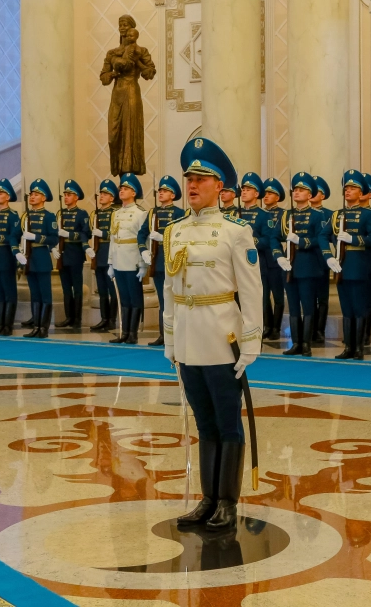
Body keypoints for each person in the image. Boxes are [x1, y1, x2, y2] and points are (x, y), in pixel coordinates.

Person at [163, 137, 262, 532]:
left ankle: (227, 502)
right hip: (188, 338)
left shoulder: (235, 232)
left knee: (226, 422)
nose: (191, 185)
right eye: (189, 177)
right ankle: (207, 499)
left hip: (223, 338)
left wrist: (251, 342)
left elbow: (252, 291)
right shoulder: (175, 230)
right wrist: (170, 340)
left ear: (219, 187)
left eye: (201, 179)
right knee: (203, 422)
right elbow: (171, 290)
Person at [328, 170, 371, 360]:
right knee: (347, 309)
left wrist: (353, 239)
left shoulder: (370, 215)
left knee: (360, 309)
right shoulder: (337, 215)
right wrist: (328, 256)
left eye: (353, 188)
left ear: (361, 193)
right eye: (346, 188)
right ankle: (349, 347)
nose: (348, 191)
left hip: (361, 266)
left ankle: (359, 347)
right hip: (342, 266)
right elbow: (322, 235)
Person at [274, 172, 332, 357]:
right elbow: (273, 237)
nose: (297, 192)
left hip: (307, 265)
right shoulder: (285, 216)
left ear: (310, 195)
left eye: (302, 190)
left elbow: (319, 239)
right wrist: (278, 256)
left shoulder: (316, 216)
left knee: (307, 306)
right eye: (295, 190)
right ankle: (296, 342)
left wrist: (301, 241)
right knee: (292, 306)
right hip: (288, 265)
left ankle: (306, 343)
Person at [140, 175, 187, 347]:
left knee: (177, 300)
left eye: (165, 191)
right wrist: (143, 250)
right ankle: (164, 334)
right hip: (158, 262)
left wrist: (164, 238)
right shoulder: (153, 213)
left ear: (173, 195)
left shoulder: (180, 213)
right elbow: (141, 234)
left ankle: (178, 334)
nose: (161, 193)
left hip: (174, 262)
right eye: (160, 190)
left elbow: (183, 237)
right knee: (163, 300)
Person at [109, 173, 148, 344]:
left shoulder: (141, 213)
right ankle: (124, 332)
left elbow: (143, 239)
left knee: (135, 297)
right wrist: (110, 262)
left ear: (134, 193)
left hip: (132, 259)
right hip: (119, 259)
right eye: (121, 189)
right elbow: (113, 238)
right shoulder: (116, 213)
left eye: (125, 189)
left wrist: (143, 265)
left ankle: (133, 333)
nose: (121, 191)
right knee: (124, 297)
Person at [0, 179, 25, 336]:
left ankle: (7, 325)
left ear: (8, 197)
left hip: (6, 256)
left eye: (1, 193)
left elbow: (14, 236)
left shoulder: (13, 216)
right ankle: (0, 324)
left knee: (9, 292)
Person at [21, 178, 58, 338]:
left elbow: (53, 238)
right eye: (31, 194)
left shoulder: (49, 217)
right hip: (30, 257)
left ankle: (44, 328)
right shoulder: (26, 216)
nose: (32, 197)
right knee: (34, 294)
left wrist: (35, 237)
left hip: (42, 256)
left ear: (44, 198)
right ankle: (36, 326)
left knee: (44, 294)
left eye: (36, 194)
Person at [55, 180, 91, 330]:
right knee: (65, 288)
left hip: (75, 254)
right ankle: (68, 317)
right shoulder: (60, 213)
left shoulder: (82, 214)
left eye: (69, 194)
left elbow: (86, 233)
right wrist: (55, 247)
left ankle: (77, 319)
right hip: (62, 255)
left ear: (76, 197)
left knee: (77, 288)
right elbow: (55, 233)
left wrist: (68, 234)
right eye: (65, 194)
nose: (66, 197)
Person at [259, 177, 287, 340]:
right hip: (262, 259)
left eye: (271, 193)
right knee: (263, 296)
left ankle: (276, 327)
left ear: (277, 197)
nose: (267, 196)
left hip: (276, 259)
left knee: (277, 296)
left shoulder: (282, 214)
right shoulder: (261, 214)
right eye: (266, 193)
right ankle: (267, 326)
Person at [90, 180, 119, 332]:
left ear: (112, 198)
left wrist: (104, 233)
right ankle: (104, 318)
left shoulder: (115, 213)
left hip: (110, 253)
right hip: (98, 253)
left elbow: (116, 233)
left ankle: (112, 320)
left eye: (105, 194)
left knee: (112, 291)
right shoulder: (95, 214)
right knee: (102, 291)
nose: (102, 196)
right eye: (101, 194)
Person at [310, 176, 333, 348]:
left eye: (315, 191)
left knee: (322, 298)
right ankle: (309, 329)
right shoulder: (300, 213)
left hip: (322, 259)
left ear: (323, 195)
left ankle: (320, 330)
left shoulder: (329, 215)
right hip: (305, 259)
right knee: (309, 297)